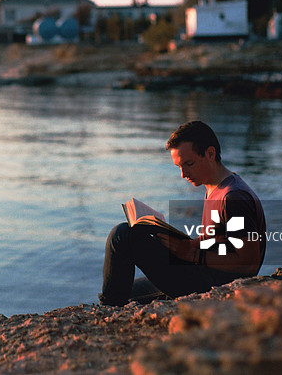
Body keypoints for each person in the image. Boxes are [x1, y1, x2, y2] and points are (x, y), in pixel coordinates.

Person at [99, 120, 266, 305]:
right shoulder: (215, 187)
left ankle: (105, 311)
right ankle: (110, 307)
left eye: (189, 164)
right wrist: (187, 244)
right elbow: (219, 241)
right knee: (126, 291)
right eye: (179, 166)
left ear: (210, 153)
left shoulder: (233, 197)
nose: (183, 174)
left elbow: (248, 261)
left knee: (122, 235)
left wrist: (192, 254)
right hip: (202, 272)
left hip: (215, 284)